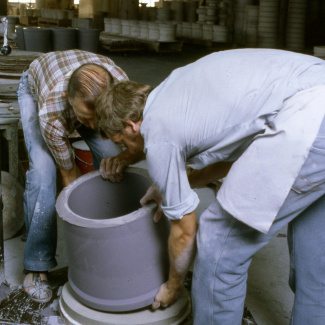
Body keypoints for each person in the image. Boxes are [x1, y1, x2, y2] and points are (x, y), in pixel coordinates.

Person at [95, 48, 325, 325]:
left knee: (218, 244)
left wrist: (172, 286)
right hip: (314, 94)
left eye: (123, 143)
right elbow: (242, 155)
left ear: (131, 125)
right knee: (314, 257)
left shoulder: (157, 130)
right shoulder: (175, 91)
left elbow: (184, 231)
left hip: (310, 119)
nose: (127, 150)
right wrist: (181, 182)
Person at [17, 50, 137, 303]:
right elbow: (69, 174)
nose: (93, 127)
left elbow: (117, 134)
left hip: (87, 95)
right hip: (36, 84)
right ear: (67, 100)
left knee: (110, 158)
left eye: (98, 119)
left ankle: (114, 238)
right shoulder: (52, 112)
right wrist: (85, 232)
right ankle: (36, 266)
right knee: (43, 175)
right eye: (85, 119)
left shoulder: (120, 88)